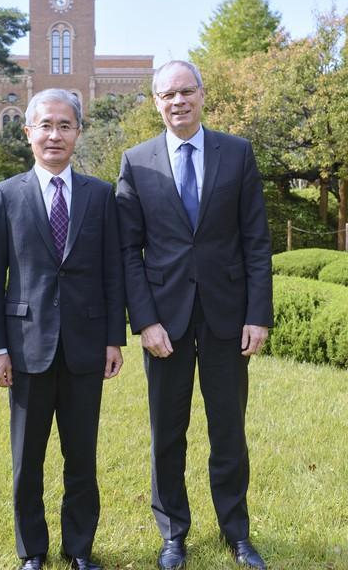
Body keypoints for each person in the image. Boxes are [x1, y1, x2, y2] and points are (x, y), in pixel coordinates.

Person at [116, 61, 273, 570]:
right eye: (168, 94)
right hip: (165, 321)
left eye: (187, 91)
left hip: (228, 316)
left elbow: (255, 240)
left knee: (228, 429)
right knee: (168, 432)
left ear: (202, 95)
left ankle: (237, 533)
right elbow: (127, 252)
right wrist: (145, 321)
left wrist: (258, 314)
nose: (178, 101)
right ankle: (173, 534)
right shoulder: (135, 162)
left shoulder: (237, 152)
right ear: (156, 102)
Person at [0, 89, 126, 570]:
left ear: (78, 132)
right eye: (45, 125)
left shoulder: (100, 195)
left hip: (86, 347)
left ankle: (80, 549)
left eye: (65, 125)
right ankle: (32, 551)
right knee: (28, 461)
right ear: (28, 132)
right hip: (26, 348)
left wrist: (112, 339)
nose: (54, 135)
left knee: (81, 457)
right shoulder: (6, 195)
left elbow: (112, 273)